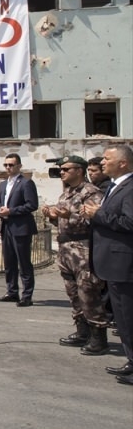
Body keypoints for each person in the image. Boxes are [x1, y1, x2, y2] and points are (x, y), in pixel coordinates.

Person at [41, 155, 108, 354]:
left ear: (79, 170)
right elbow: (62, 221)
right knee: (73, 292)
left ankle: (99, 337)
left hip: (83, 249)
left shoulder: (91, 192)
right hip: (66, 249)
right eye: (61, 169)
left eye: (66, 169)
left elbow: (93, 219)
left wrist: (69, 215)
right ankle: (82, 331)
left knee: (88, 292)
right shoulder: (67, 193)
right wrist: (53, 217)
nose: (62, 172)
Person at [82, 145, 133, 386]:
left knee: (127, 315)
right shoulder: (114, 186)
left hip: (124, 263)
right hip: (112, 262)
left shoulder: (130, 188)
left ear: (123, 163)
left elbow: (129, 222)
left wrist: (98, 215)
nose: (102, 162)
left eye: (107, 158)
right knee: (123, 318)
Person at [0, 153, 38, 307]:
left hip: (21, 227)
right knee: (9, 261)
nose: (8, 168)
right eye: (6, 165)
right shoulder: (3, 184)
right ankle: (12, 291)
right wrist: (0, 209)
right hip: (6, 226)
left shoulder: (26, 183)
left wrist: (11, 211)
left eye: (11, 165)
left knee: (24, 262)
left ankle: (27, 295)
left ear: (19, 166)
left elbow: (32, 205)